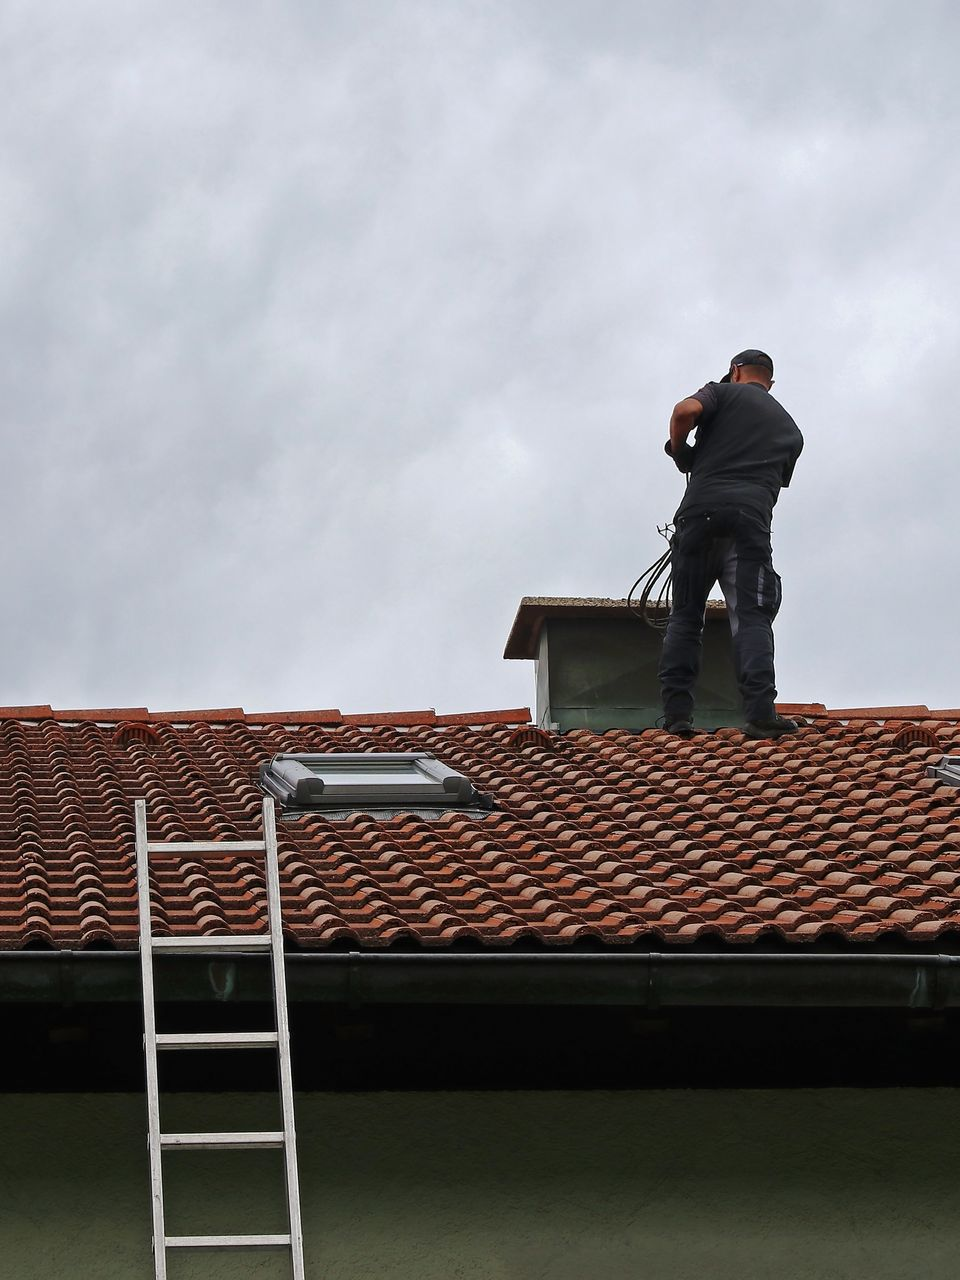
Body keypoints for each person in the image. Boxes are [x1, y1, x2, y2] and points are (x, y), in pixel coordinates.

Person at [659, 349, 803, 739]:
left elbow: (682, 412)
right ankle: (760, 713)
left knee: (686, 617)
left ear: (735, 372)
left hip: (699, 518)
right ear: (769, 382)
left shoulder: (721, 393)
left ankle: (676, 718)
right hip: (750, 525)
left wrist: (680, 452)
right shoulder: (792, 431)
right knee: (752, 616)